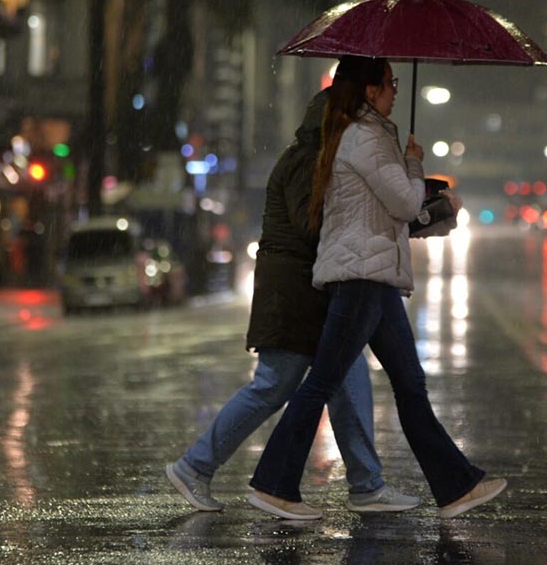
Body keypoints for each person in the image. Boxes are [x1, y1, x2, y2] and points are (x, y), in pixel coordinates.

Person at [247, 56, 507, 520]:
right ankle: (273, 484)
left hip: (376, 274)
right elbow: (405, 203)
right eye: (390, 82)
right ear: (370, 90)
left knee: (410, 383)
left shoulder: (362, 133)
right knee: (323, 381)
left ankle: (455, 486)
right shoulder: (366, 137)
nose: (394, 90)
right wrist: (411, 162)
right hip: (361, 275)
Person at [165, 89, 420, 513]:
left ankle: (366, 482)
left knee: (344, 376)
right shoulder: (309, 161)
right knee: (276, 383)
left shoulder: (316, 157)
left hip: (312, 290)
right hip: (293, 293)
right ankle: (195, 466)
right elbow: (310, 223)